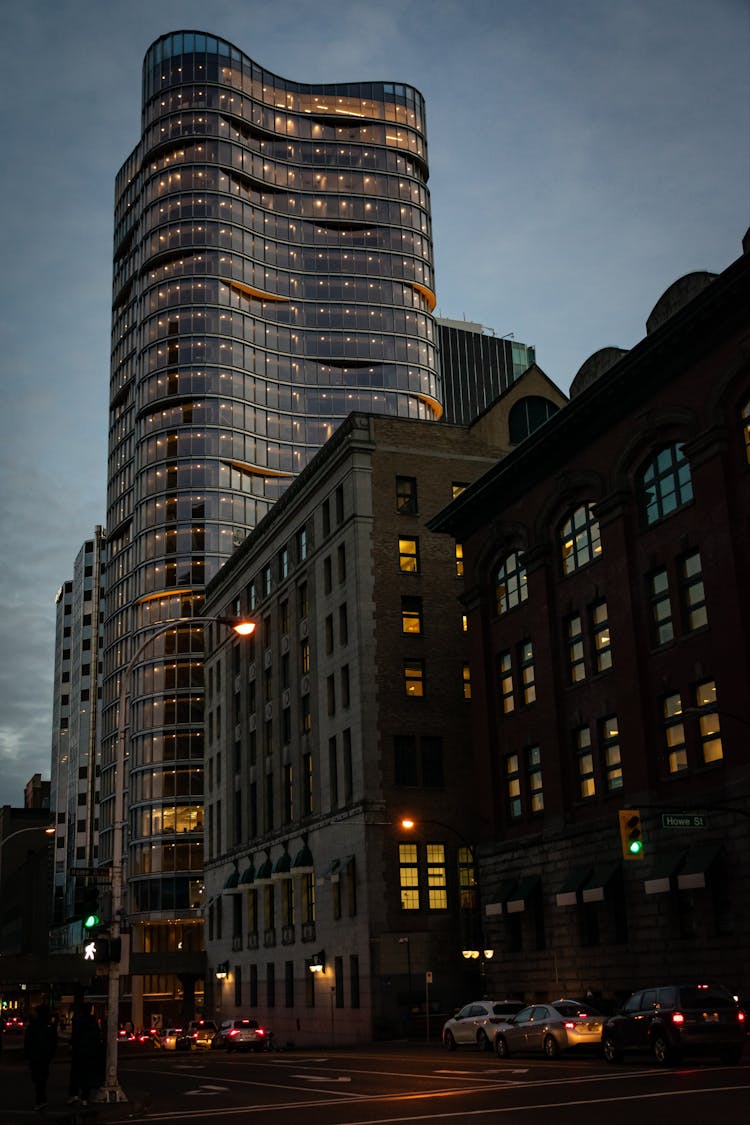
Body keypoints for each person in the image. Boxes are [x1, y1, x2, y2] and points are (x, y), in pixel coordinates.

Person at [23, 1003, 57, 1111]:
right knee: (42, 1078)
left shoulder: (33, 1026)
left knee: (38, 1078)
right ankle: (42, 1099)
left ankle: (40, 1100)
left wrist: (27, 1055)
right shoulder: (50, 1026)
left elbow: (28, 1042)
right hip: (44, 1055)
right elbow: (53, 1042)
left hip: (36, 1055)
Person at [68, 1003, 103, 1106]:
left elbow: (75, 1036)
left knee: (75, 1074)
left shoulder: (78, 1021)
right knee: (87, 1075)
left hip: (79, 1051)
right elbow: (96, 1037)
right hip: (89, 1052)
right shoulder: (93, 1022)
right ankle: (85, 1097)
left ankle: (74, 1095)